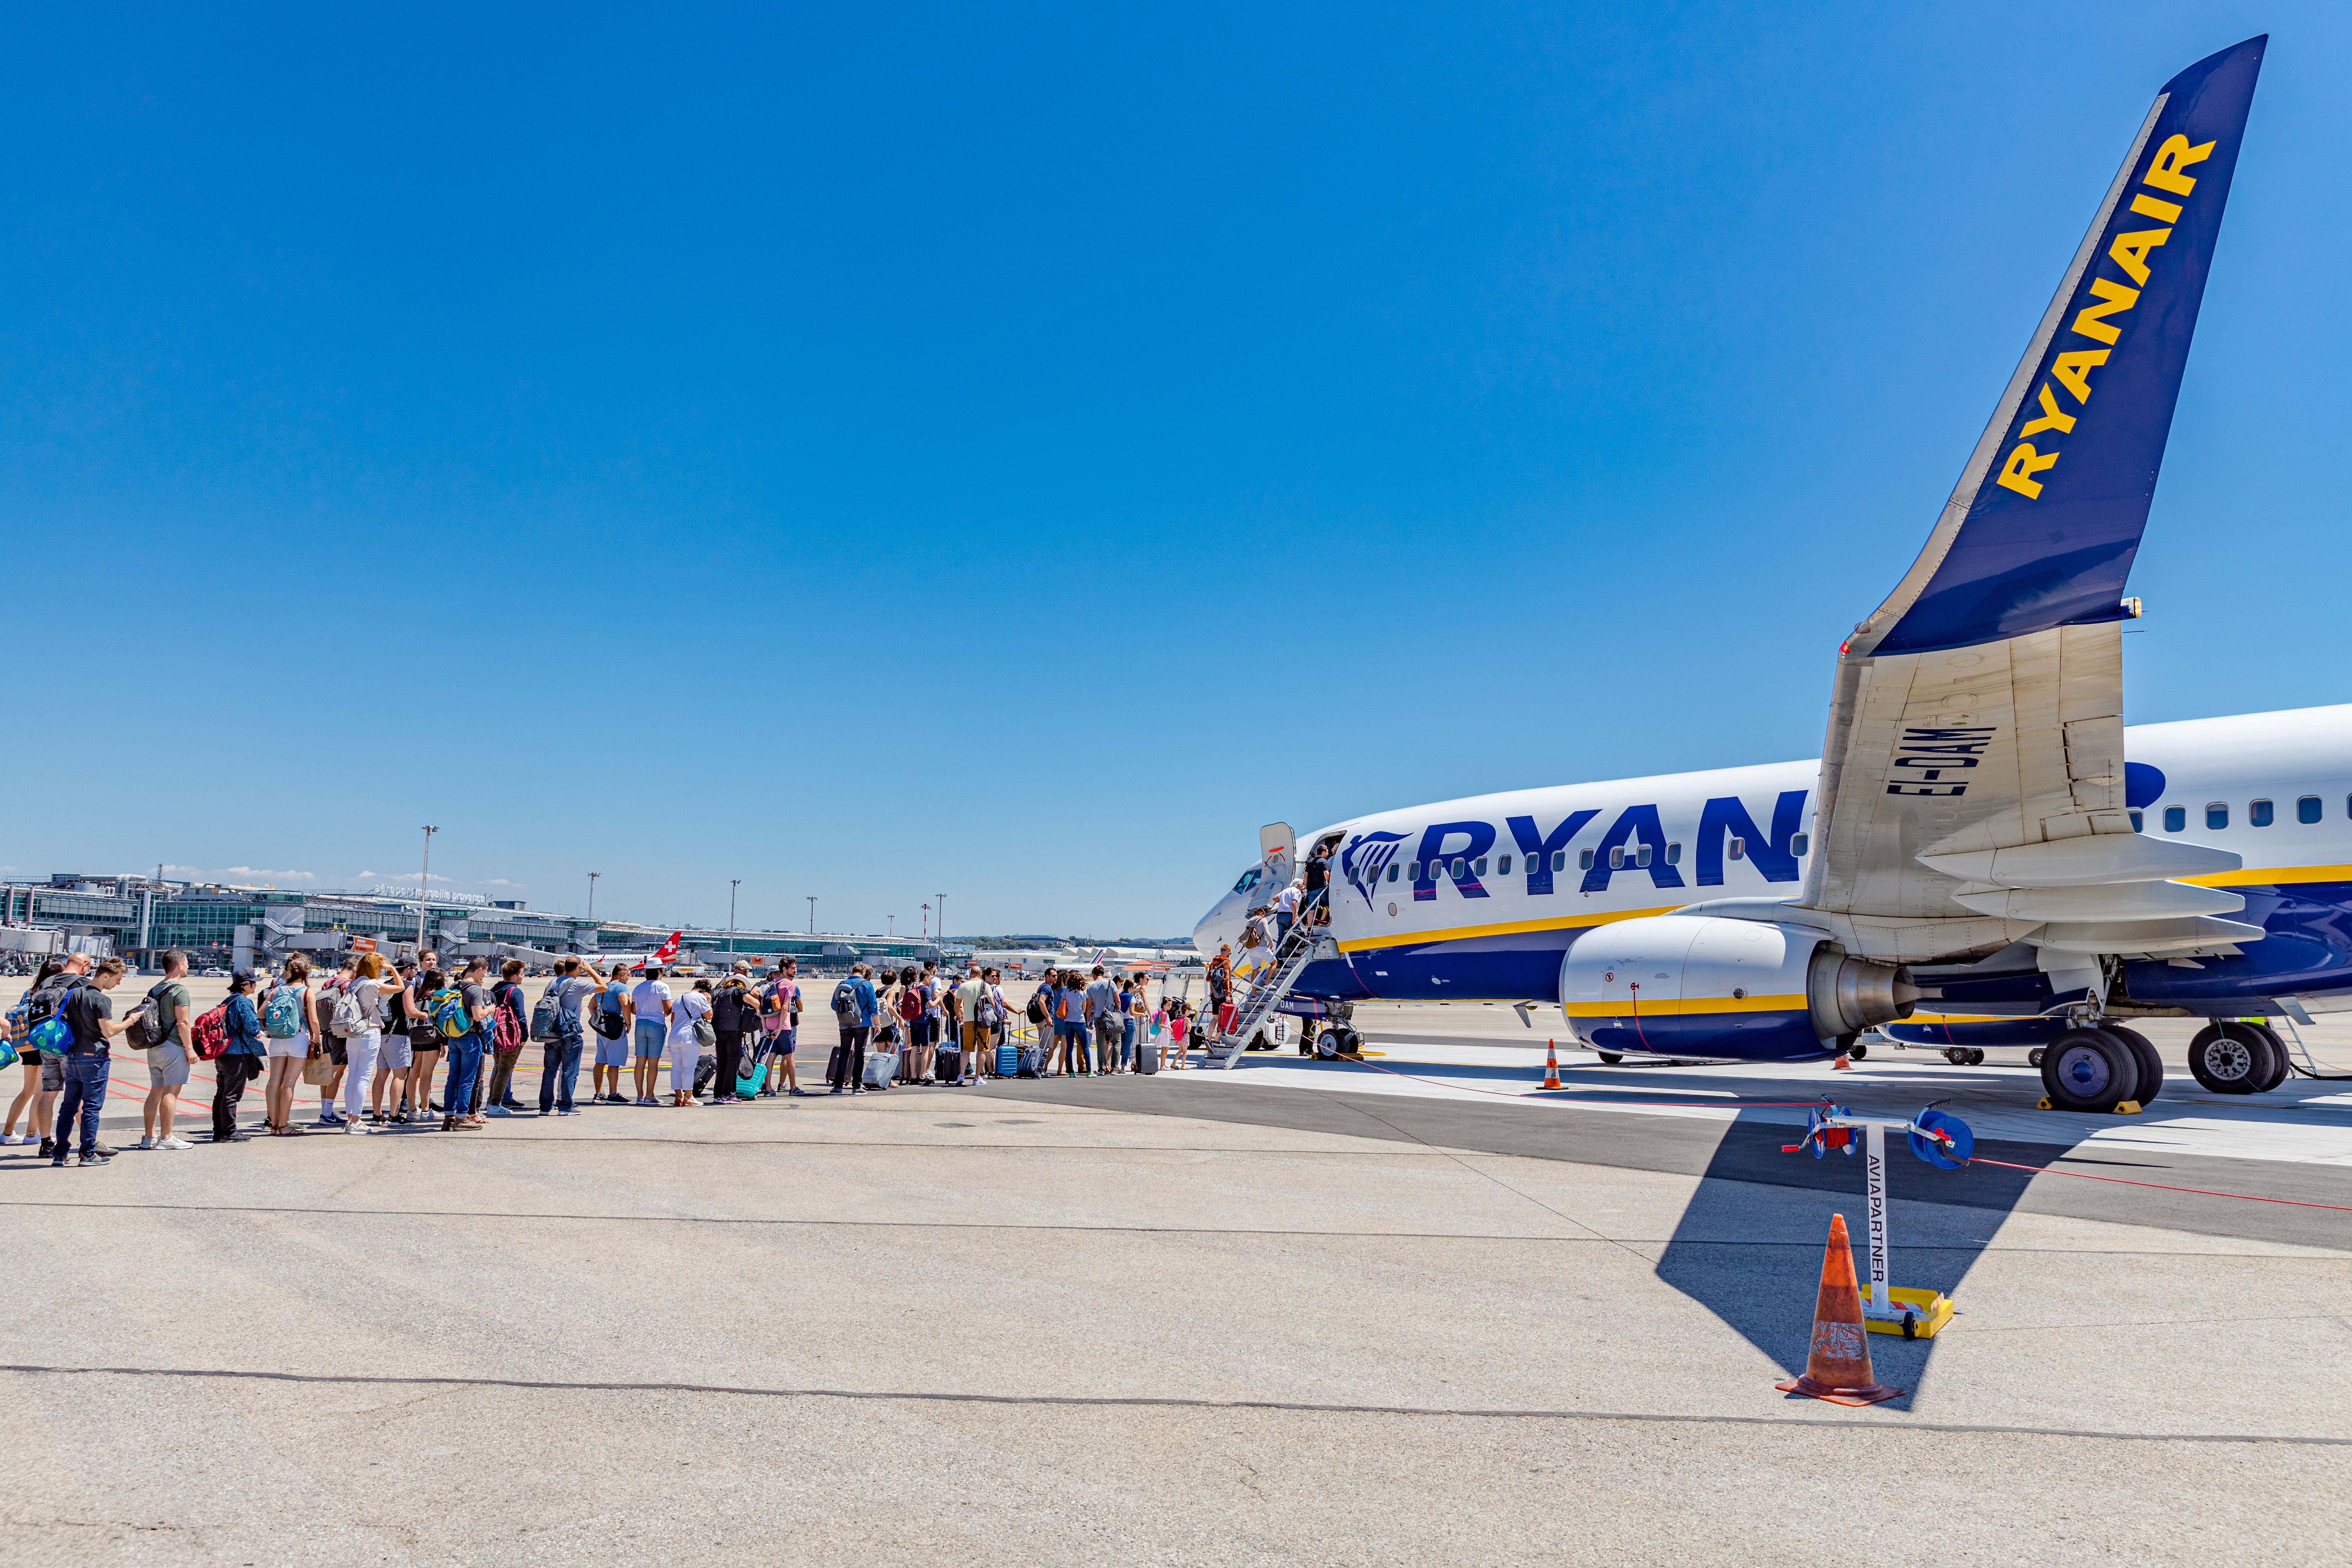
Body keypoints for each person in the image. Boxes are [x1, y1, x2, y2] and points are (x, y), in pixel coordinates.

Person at [51, 956, 137, 1166]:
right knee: (91, 1108)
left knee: (69, 1107)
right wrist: (131, 1021)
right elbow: (109, 1032)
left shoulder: (74, 994)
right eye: (117, 979)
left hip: (73, 1057)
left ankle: (60, 1153)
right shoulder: (101, 1000)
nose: (118, 983)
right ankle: (88, 1154)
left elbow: (56, 1015)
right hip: (95, 1058)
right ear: (105, 976)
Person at [4, 955, 69, 1154]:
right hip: (42, 1044)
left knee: (27, 1091)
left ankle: (7, 1133)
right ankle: (32, 1134)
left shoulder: (30, 991)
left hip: (26, 1044)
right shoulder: (54, 991)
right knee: (41, 1093)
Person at [137, 949, 198, 1150]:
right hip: (173, 1047)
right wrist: (189, 1048)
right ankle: (167, 1138)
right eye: (187, 963)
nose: (189, 966)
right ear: (179, 966)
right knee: (171, 1093)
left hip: (154, 1046)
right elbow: (183, 1022)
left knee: (155, 1091)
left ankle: (149, 1138)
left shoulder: (154, 989)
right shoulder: (180, 990)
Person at [260, 956, 321, 1136]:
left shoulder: (277, 990)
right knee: (289, 1083)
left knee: (274, 1082)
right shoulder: (307, 992)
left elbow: (261, 1013)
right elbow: (314, 1020)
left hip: (278, 1039)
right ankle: (284, 1126)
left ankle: (274, 1125)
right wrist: (317, 1040)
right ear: (306, 973)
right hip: (298, 1038)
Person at [337, 952, 396, 1134]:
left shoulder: (355, 984)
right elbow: (400, 987)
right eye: (380, 967)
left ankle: (351, 1119)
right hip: (370, 1031)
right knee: (363, 1077)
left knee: (353, 1076)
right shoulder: (373, 984)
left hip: (353, 1033)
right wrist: (393, 970)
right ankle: (356, 1121)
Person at [442, 957, 495, 1131]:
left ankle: (449, 1117)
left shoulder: (455, 986)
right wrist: (490, 1009)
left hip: (454, 1037)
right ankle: (461, 1118)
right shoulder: (475, 989)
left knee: (453, 1079)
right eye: (485, 973)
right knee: (467, 1080)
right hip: (470, 1038)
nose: (484, 977)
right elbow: (478, 1015)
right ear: (480, 970)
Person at [212, 968, 266, 1142]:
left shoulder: (228, 1000)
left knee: (222, 1093)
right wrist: (259, 1032)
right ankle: (229, 1132)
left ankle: (219, 1131)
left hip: (223, 1052)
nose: (256, 985)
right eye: (253, 983)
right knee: (232, 1095)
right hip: (237, 1053)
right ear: (244, 986)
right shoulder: (243, 1002)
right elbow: (252, 1026)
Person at [539, 958, 598, 1115]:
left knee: (550, 1071)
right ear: (578, 968)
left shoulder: (551, 983)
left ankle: (545, 1107)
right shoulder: (577, 984)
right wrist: (591, 970)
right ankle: (565, 1106)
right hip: (569, 1032)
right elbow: (604, 987)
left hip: (551, 1032)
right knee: (569, 1070)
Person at [313, 953, 359, 1126]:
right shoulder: (347, 985)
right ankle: (327, 1114)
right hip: (340, 1035)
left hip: (326, 1032)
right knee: (336, 1074)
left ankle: (326, 1111)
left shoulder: (329, 982)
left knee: (327, 1074)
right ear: (354, 969)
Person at [371, 959, 419, 1122]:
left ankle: (377, 1115)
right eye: (415, 969)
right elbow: (410, 1011)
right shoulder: (406, 985)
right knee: (400, 1075)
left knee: (381, 1074)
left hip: (381, 1031)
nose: (415, 973)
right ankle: (394, 1115)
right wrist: (423, 1015)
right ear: (408, 969)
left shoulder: (385, 984)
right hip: (398, 1033)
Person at [482, 959, 530, 1115]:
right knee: (505, 1070)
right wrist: (524, 1036)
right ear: (515, 977)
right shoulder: (515, 991)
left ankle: (492, 1102)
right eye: (522, 974)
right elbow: (520, 1016)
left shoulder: (496, 988)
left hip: (496, 1034)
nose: (523, 977)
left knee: (498, 1069)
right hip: (510, 1036)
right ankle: (495, 1105)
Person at [709, 962, 756, 1103]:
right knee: (732, 1063)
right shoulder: (739, 991)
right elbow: (755, 1002)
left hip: (718, 1030)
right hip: (733, 1031)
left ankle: (718, 1094)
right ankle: (729, 1094)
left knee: (722, 1062)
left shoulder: (722, 992)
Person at [830, 963, 876, 1094]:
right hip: (863, 1023)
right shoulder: (867, 985)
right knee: (859, 1054)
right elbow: (874, 1007)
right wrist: (877, 1025)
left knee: (844, 1053)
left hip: (845, 1024)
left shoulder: (842, 984)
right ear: (864, 973)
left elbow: (834, 1005)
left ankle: (838, 1086)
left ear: (852, 972)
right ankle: (856, 1086)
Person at [630, 965, 673, 1105]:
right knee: (653, 1064)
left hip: (640, 1025)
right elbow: (667, 1010)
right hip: (656, 1025)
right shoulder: (663, 987)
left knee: (640, 1062)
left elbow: (634, 1010)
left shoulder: (638, 988)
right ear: (659, 972)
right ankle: (650, 1095)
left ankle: (639, 1096)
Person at [668, 978, 713, 1107]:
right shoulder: (701, 998)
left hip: (675, 1037)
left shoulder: (679, 998)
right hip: (689, 1037)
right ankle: (689, 1097)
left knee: (676, 1068)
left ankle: (679, 1097)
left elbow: (673, 1019)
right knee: (689, 1069)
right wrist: (709, 1002)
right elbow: (709, 1016)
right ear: (706, 991)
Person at [591, 964, 633, 1103]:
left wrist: (598, 1022)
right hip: (615, 1029)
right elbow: (625, 1003)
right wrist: (628, 1022)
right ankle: (613, 1095)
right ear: (622, 975)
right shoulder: (621, 988)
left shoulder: (603, 988)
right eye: (628, 975)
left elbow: (592, 1006)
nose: (629, 977)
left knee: (600, 1062)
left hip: (602, 1030)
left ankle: (599, 1093)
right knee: (614, 1064)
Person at [1086, 966, 1119, 1076]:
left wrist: (1088, 1020)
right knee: (1116, 1042)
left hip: (1099, 1016)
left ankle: (1102, 1068)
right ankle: (1115, 1067)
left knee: (1100, 1043)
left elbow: (1089, 1006)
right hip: (1111, 1015)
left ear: (1094, 974)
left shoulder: (1091, 987)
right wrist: (1119, 1012)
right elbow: (1117, 999)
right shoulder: (1111, 984)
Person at [1274, 879, 1302, 943]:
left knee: (1281, 937)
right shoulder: (1298, 892)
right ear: (1298, 886)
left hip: (1279, 916)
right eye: (1302, 886)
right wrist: (1294, 918)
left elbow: (1275, 898)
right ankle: (1297, 949)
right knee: (1296, 934)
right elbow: (1294, 903)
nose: (1302, 889)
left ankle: (1278, 953)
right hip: (1289, 915)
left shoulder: (1285, 891)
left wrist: (1283, 901)